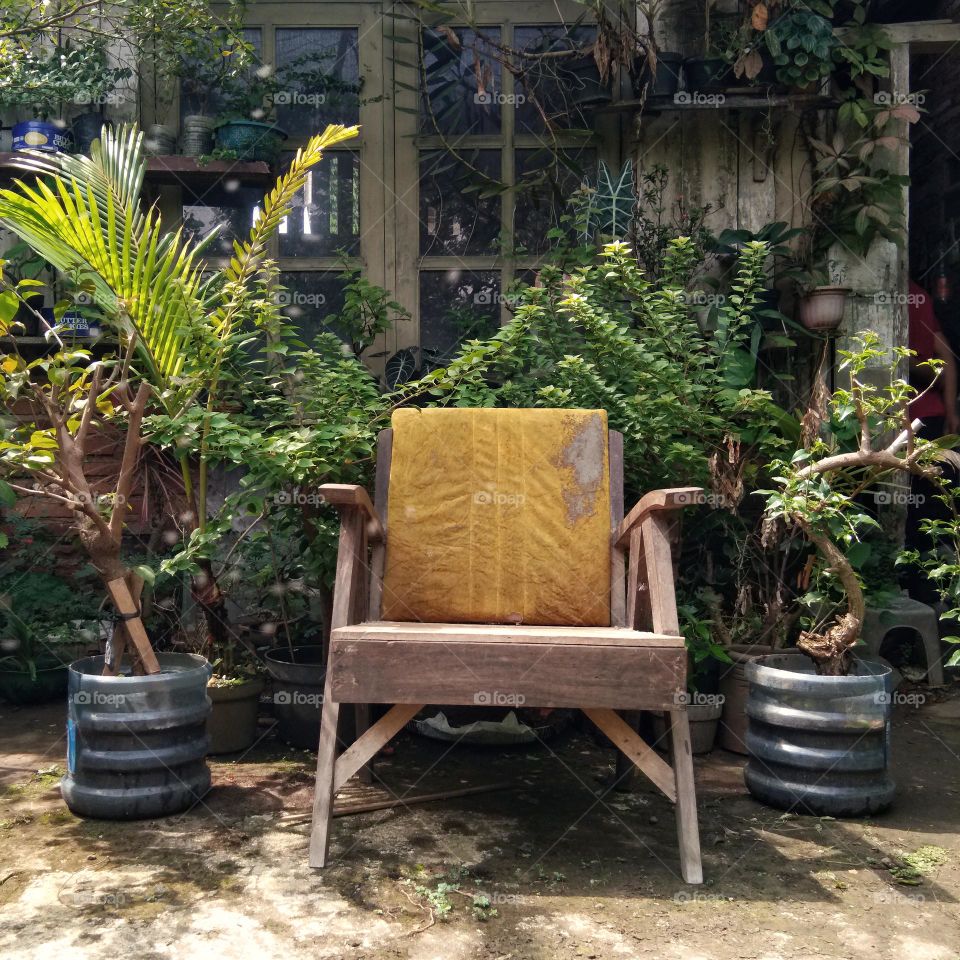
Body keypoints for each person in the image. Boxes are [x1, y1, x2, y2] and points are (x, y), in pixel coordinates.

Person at [909, 279, 959, 438]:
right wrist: (951, 412)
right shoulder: (919, 295)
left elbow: (946, 356)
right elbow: (947, 356)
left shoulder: (914, 296)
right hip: (929, 414)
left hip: (918, 414)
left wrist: (951, 413)